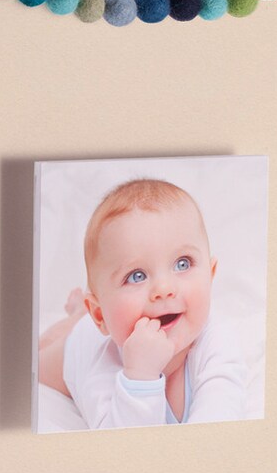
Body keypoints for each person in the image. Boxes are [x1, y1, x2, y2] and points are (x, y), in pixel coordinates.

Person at [38, 178, 246, 427]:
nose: (164, 289)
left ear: (210, 276)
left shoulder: (217, 343)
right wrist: (139, 378)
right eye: (136, 276)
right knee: (36, 359)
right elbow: (120, 444)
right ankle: (78, 316)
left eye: (183, 263)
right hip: (80, 345)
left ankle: (79, 311)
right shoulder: (100, 364)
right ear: (100, 315)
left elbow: (221, 418)